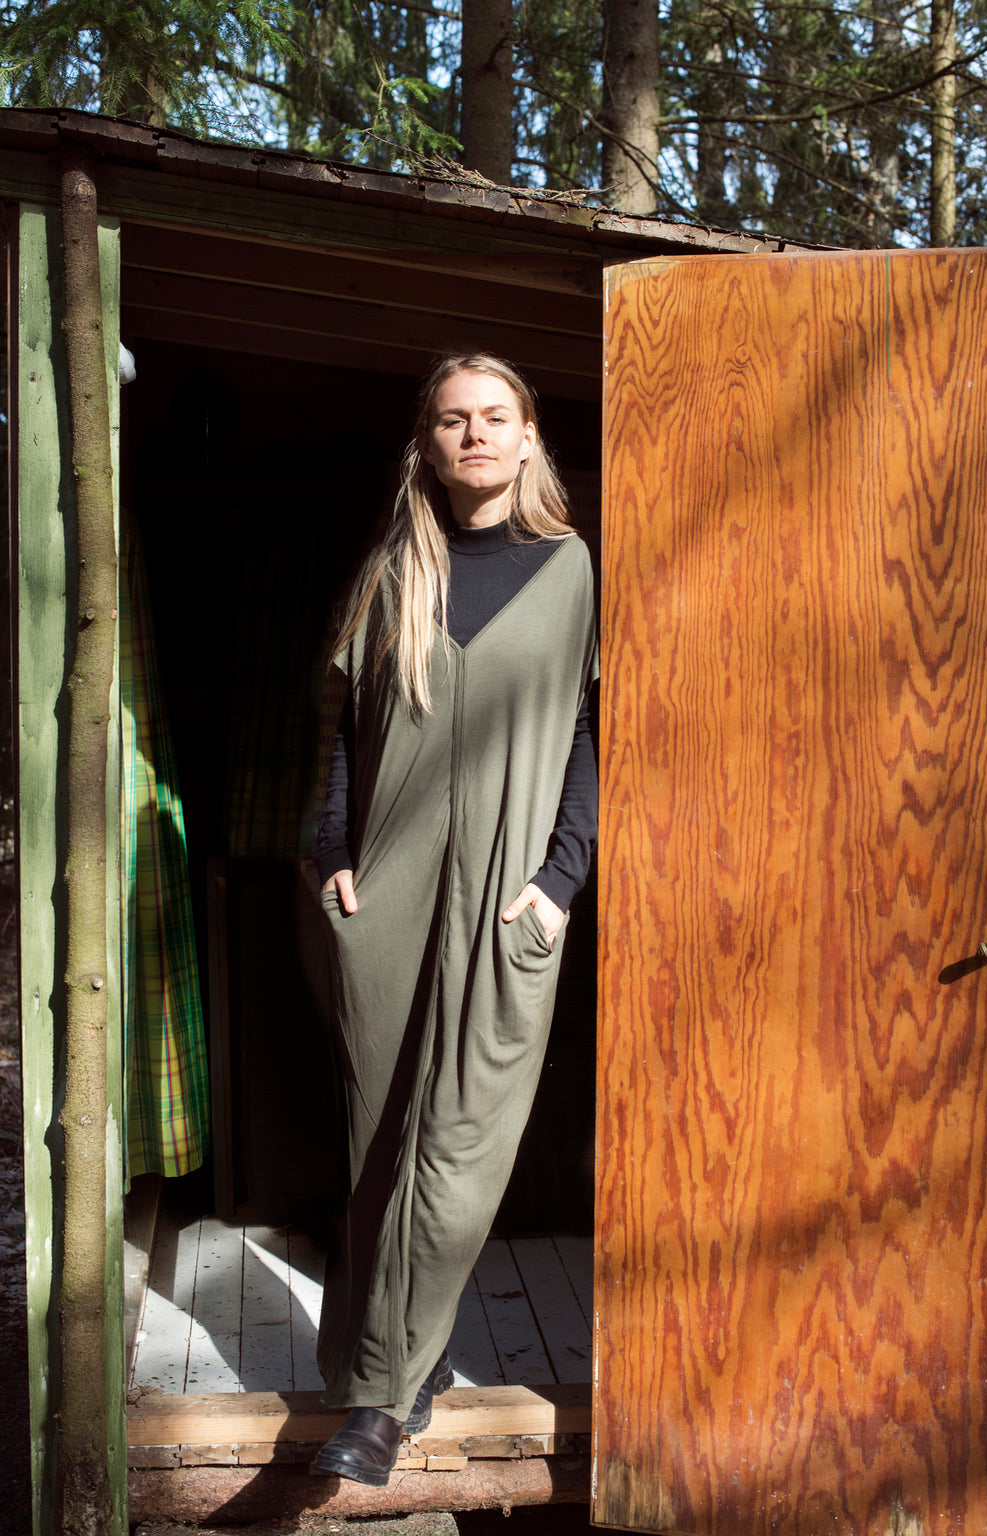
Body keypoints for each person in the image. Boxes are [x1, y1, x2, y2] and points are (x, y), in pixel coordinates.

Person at [311, 352, 598, 1486]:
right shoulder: (398, 569)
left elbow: (593, 733)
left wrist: (562, 878)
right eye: (451, 420)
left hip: (509, 898)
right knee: (379, 1141)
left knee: (464, 1142)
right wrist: (331, 848)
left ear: (528, 438)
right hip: (385, 891)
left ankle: (379, 1402)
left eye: (494, 418)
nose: (473, 435)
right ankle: (384, 1369)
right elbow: (340, 724)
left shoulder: (571, 570)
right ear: (427, 444)